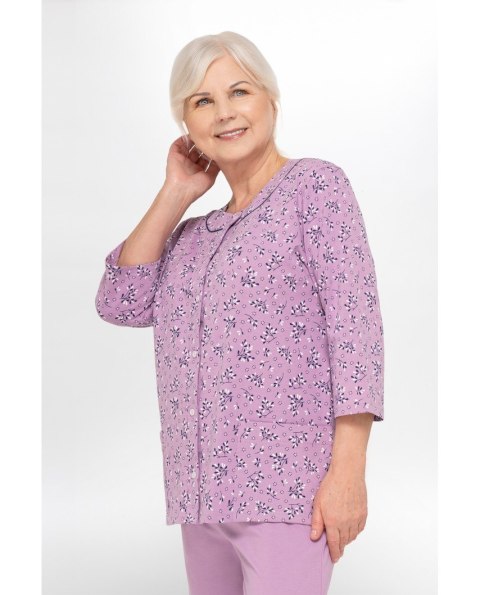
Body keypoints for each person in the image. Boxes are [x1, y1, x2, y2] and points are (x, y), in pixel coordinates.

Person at [95, 31, 385, 595]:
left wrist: (349, 473)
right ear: (186, 123)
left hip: (287, 492)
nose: (224, 112)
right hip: (199, 498)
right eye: (202, 101)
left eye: (239, 91)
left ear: (270, 99)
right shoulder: (192, 236)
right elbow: (119, 302)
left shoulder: (314, 188)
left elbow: (356, 333)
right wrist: (176, 192)